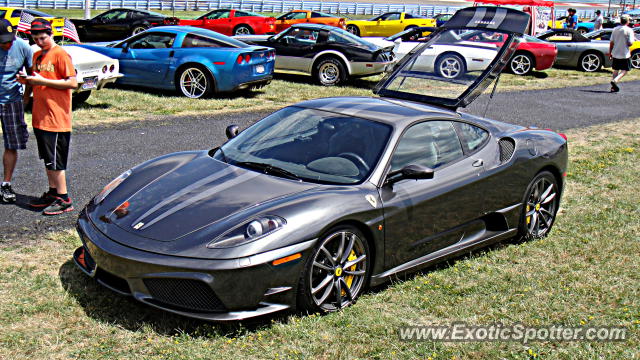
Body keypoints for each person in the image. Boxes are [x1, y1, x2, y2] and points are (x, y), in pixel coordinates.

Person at [17, 18, 77, 215]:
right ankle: (53, 193)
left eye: (43, 38)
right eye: (35, 39)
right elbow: (33, 81)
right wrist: (26, 93)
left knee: (57, 161)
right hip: (40, 116)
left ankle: (64, 198)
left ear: (51, 34)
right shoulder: (36, 55)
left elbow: (72, 83)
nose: (39, 42)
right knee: (47, 159)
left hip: (57, 118)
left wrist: (43, 80)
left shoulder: (60, 54)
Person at [0, 19, 32, 203]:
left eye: (9, 40)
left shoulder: (22, 47)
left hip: (12, 101)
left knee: (11, 144)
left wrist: (26, 97)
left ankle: (6, 184)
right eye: (3, 41)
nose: (7, 44)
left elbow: (31, 73)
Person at [609, 15, 634, 92]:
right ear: (627, 21)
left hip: (616, 52)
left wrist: (610, 52)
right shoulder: (629, 30)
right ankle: (615, 80)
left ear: (620, 21)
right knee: (625, 70)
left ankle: (613, 87)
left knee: (616, 69)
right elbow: (630, 43)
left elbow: (611, 42)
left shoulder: (615, 29)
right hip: (625, 53)